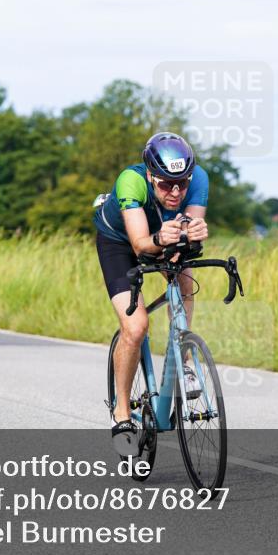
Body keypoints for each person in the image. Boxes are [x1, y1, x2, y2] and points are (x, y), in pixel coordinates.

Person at [93, 132, 209, 450]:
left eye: (182, 184)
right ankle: (120, 414)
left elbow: (190, 234)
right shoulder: (130, 181)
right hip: (121, 242)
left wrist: (195, 234)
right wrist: (162, 239)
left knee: (185, 278)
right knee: (136, 326)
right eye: (166, 184)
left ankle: (185, 363)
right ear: (150, 175)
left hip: (163, 237)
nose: (175, 192)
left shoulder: (198, 178)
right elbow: (140, 244)